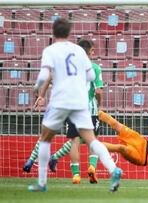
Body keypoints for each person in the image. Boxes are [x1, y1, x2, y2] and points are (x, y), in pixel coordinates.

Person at [27, 18, 122, 192]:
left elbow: (44, 74)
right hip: (80, 102)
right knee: (92, 140)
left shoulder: (51, 50)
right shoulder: (78, 51)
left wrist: (36, 89)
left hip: (60, 101)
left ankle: (41, 183)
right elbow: (91, 77)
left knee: (46, 139)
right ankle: (113, 170)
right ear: (69, 33)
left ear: (53, 32)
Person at [23, 39, 104, 185]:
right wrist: (100, 105)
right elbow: (98, 91)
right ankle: (90, 167)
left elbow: (48, 78)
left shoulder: (66, 66)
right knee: (90, 140)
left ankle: (40, 161)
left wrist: (41, 95)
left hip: (64, 107)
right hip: (85, 109)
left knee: (61, 138)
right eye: (92, 50)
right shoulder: (93, 68)